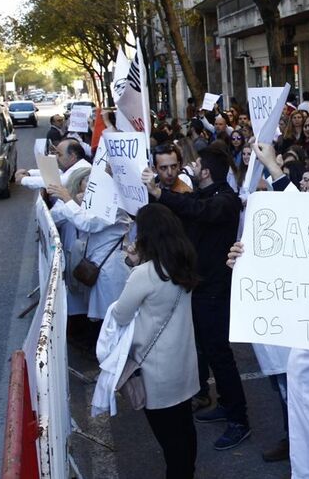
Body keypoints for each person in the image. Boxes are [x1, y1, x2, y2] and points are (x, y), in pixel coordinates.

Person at [143, 147, 250, 451]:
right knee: (207, 349)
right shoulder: (204, 195)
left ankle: (239, 420)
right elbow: (187, 204)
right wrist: (158, 192)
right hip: (201, 286)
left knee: (220, 354)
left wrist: (163, 195)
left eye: (196, 163)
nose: (190, 166)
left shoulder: (225, 200)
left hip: (215, 289)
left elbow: (197, 211)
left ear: (205, 172)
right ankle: (227, 404)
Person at [112, 204, 199, 479]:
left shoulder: (144, 274)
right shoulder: (184, 262)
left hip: (156, 371)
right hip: (184, 364)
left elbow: (120, 313)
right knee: (185, 431)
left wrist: (133, 267)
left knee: (170, 441)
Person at [47, 167, 131, 321]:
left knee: (111, 317)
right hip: (98, 263)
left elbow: (87, 223)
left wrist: (68, 200)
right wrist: (74, 203)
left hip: (111, 267)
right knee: (102, 316)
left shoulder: (115, 204)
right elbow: (56, 216)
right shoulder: (97, 200)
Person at [16, 137, 91, 189]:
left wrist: (24, 180)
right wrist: (29, 173)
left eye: (59, 154)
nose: (56, 157)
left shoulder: (83, 168)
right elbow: (57, 172)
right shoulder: (75, 166)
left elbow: (57, 182)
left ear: (72, 157)